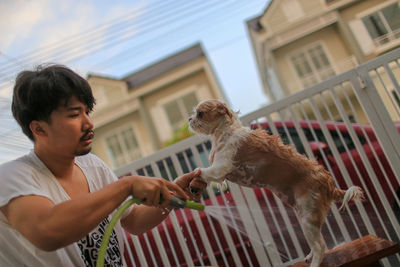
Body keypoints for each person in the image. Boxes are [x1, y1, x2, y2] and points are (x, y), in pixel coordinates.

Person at [0, 64, 206, 266]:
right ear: (39, 129)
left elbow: (133, 220)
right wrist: (126, 186)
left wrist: (175, 195)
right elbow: (46, 231)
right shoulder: (12, 177)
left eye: (87, 112)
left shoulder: (93, 166)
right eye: (74, 114)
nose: (88, 123)